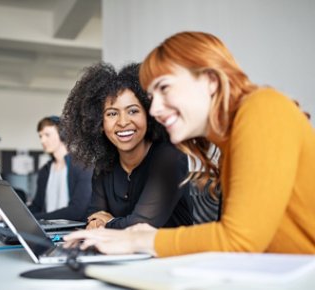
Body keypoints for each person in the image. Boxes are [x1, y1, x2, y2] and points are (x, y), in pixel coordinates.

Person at [64, 31, 315, 256]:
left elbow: (239, 240)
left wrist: (139, 240)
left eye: (165, 88)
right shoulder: (233, 140)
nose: (156, 109)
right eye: (153, 97)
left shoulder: (262, 110)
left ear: (211, 81)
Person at [61, 62, 195, 230]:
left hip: (172, 254)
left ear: (149, 115)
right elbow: (93, 220)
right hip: (122, 254)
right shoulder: (104, 165)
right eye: (112, 114)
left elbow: (142, 226)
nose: (123, 122)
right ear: (99, 123)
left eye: (133, 111)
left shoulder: (170, 158)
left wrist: (108, 223)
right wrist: (100, 223)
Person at [28, 116, 93, 221]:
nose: (42, 140)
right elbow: (37, 206)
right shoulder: (45, 170)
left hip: (72, 231)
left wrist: (35, 218)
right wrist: (13, 216)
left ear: (62, 134)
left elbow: (77, 211)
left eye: (47, 135)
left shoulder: (83, 167)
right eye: (40, 136)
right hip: (47, 230)